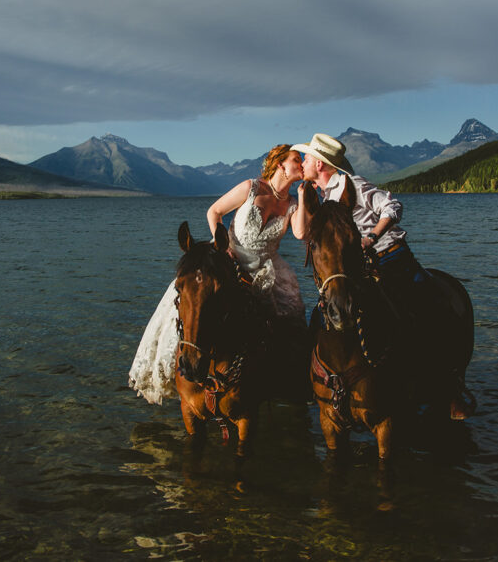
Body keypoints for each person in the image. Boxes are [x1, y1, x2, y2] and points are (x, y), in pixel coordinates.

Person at [290, 133, 474, 419]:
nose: (303, 162)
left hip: (391, 257)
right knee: (319, 318)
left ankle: (449, 386)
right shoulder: (321, 197)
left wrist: (372, 237)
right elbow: (303, 234)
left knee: (426, 309)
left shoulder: (354, 185)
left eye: (307, 158)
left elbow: (393, 207)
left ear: (321, 165)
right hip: (358, 269)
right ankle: (319, 386)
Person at [129, 145, 306, 404]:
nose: (301, 163)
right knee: (193, 308)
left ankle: (274, 381)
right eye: (296, 159)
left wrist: (305, 193)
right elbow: (214, 212)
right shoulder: (251, 188)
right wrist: (221, 246)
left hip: (266, 269)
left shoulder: (292, 203)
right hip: (230, 259)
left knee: (289, 321)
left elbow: (300, 234)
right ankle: (186, 373)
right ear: (280, 164)